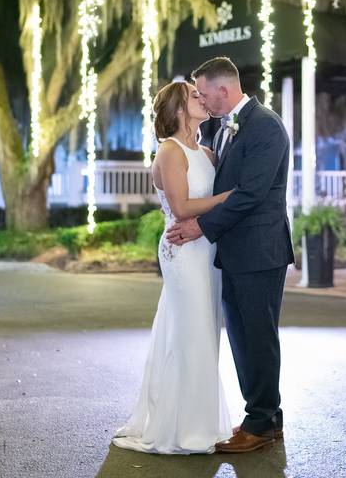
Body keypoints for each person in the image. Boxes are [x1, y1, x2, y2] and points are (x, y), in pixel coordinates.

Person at [167, 56, 294, 454]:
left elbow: (252, 195)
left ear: (223, 89)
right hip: (235, 252)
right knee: (242, 335)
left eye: (204, 93)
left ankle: (261, 421)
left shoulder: (265, 126)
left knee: (257, 334)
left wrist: (201, 227)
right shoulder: (224, 129)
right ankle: (265, 416)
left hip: (259, 250)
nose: (202, 101)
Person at [111, 81, 234, 454]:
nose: (201, 98)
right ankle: (183, 430)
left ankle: (198, 422)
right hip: (182, 253)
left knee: (203, 332)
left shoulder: (207, 154)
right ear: (179, 109)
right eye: (193, 95)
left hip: (207, 253)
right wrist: (230, 197)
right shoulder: (169, 151)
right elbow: (181, 208)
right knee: (190, 331)